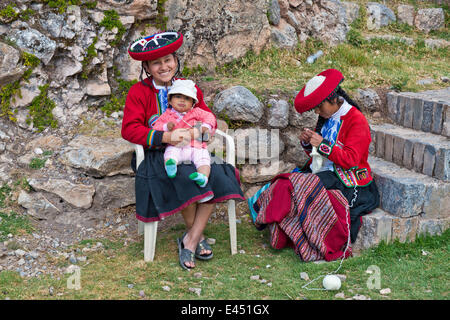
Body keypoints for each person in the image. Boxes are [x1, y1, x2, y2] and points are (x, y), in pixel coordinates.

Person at [122, 31, 245, 270]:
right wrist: (165, 136)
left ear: (176, 60)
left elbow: (208, 117)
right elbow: (129, 130)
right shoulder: (138, 93)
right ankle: (195, 238)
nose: (164, 66)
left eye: (168, 59)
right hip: (156, 155)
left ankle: (189, 241)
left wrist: (204, 130)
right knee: (185, 178)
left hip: (192, 149)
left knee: (215, 175)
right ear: (147, 66)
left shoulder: (189, 88)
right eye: (156, 62)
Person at [248, 68, 379, 262]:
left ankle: (281, 232)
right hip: (327, 172)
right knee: (286, 182)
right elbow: (320, 156)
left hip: (348, 180)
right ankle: (282, 231)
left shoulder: (356, 120)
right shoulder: (327, 118)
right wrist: (309, 143)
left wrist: (323, 144)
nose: (317, 112)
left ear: (333, 98)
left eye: (319, 107)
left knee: (292, 185)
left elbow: (351, 160)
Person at [151, 79, 216, 188]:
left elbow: (210, 117)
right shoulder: (167, 115)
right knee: (170, 153)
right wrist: (166, 127)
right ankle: (171, 167)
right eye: (178, 97)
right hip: (176, 145)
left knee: (203, 159)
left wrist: (205, 127)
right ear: (170, 101)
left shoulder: (196, 112)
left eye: (187, 98)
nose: (182, 100)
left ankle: (202, 177)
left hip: (195, 146)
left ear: (192, 103)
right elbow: (156, 127)